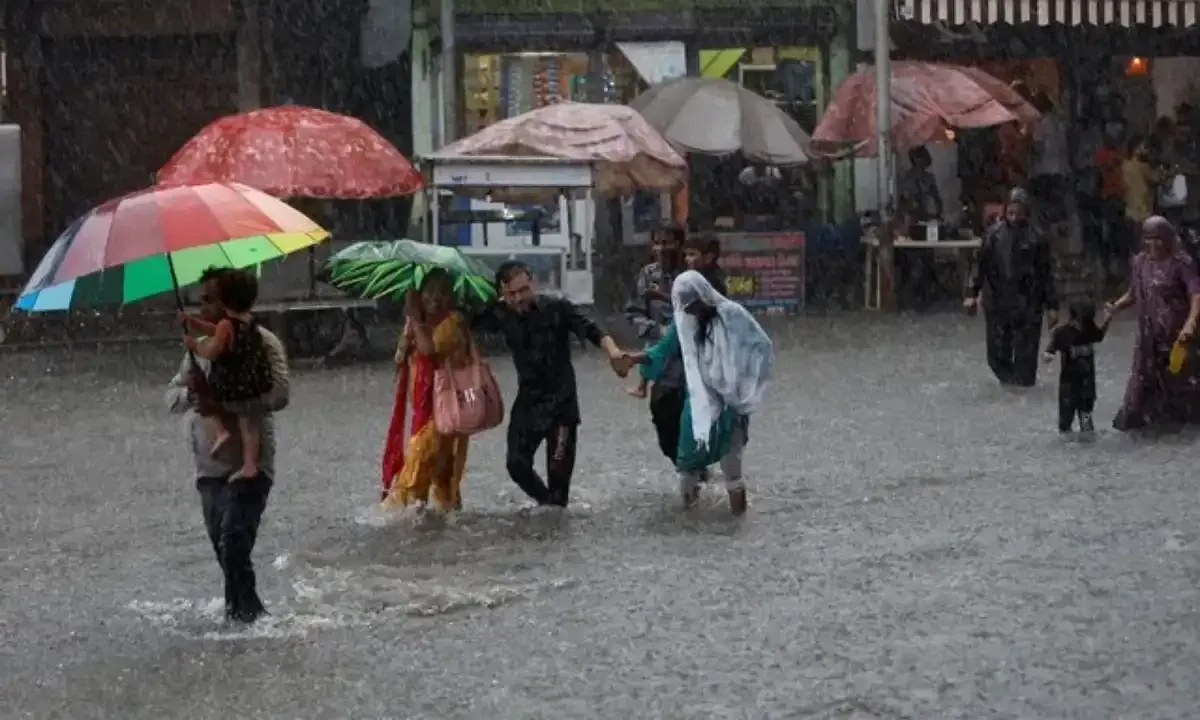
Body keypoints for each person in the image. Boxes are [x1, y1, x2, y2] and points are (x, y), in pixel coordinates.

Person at [165, 266, 290, 624]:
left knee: (234, 542)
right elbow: (170, 397)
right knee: (224, 548)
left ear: (227, 302)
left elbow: (280, 394)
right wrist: (192, 393)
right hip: (209, 467)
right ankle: (241, 616)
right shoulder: (199, 353)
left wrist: (228, 403)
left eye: (209, 299)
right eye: (200, 299)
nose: (202, 306)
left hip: (250, 463)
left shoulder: (260, 341)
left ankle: (250, 618)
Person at [472, 261, 633, 507]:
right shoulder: (499, 313)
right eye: (512, 294)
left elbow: (591, 329)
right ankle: (546, 508)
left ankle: (555, 518)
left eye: (523, 290)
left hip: (562, 405)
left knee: (558, 478)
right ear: (502, 294)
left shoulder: (555, 307)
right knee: (516, 465)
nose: (519, 298)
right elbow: (462, 322)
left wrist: (613, 353)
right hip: (529, 401)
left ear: (531, 284)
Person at [630, 271, 773, 515]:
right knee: (687, 464)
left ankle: (738, 520)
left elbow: (761, 345)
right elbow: (662, 351)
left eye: (692, 304)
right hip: (699, 402)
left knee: (732, 466)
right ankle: (690, 520)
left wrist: (745, 380)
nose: (690, 311)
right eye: (684, 306)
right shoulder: (683, 322)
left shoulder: (732, 315)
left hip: (731, 402)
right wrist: (633, 358)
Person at [380, 269, 471, 510]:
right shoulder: (418, 323)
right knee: (442, 476)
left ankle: (396, 519)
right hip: (423, 411)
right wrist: (407, 334)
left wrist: (415, 321)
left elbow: (430, 350)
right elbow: (400, 359)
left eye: (442, 293)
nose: (435, 299)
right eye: (429, 292)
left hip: (444, 414)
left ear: (450, 298)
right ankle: (436, 527)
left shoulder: (453, 323)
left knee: (417, 470)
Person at [1106, 216, 1200, 430]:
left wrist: (1191, 323)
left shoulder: (1181, 263)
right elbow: (1133, 292)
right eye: (1148, 239)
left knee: (1180, 388)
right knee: (1139, 391)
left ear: (1168, 238)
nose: (1153, 244)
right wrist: (1116, 307)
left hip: (1177, 338)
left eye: (1158, 238)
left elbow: (1196, 295)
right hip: (1149, 339)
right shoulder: (1140, 262)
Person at [181, 269, 273, 479]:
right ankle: (250, 463)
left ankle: (222, 431)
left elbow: (213, 349)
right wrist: (194, 322)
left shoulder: (225, 324)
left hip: (232, 387)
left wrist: (194, 345)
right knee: (250, 425)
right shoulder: (249, 322)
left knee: (203, 392)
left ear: (224, 299)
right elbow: (216, 330)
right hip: (253, 385)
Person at [963, 188, 1059, 387]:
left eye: (1019, 213)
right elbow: (980, 266)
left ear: (1027, 212)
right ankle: (1008, 388)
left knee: (1026, 361)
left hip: (1029, 303)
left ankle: (1022, 391)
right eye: (1011, 213)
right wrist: (971, 294)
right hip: (998, 301)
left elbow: (1046, 273)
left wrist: (1052, 306)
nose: (1014, 217)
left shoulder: (1038, 237)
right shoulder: (993, 235)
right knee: (997, 354)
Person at [1043, 301, 1111, 433]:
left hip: (1087, 387)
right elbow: (1049, 351)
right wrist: (1048, 355)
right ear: (1073, 319)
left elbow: (1100, 336)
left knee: (1086, 423)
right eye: (1083, 322)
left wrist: (1107, 319)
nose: (1085, 326)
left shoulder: (1090, 330)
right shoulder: (1063, 332)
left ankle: (1087, 449)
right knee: (1065, 424)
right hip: (1068, 386)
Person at [625, 223, 685, 342]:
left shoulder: (690, 274)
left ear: (679, 244)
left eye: (666, 243)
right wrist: (657, 330)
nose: (661, 249)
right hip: (657, 345)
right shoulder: (648, 274)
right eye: (657, 244)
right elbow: (634, 313)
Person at [1029, 92, 1069, 223]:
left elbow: (1037, 147)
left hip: (1044, 170)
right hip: (1061, 170)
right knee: (1057, 207)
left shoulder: (1041, 123)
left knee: (1044, 208)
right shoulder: (1060, 121)